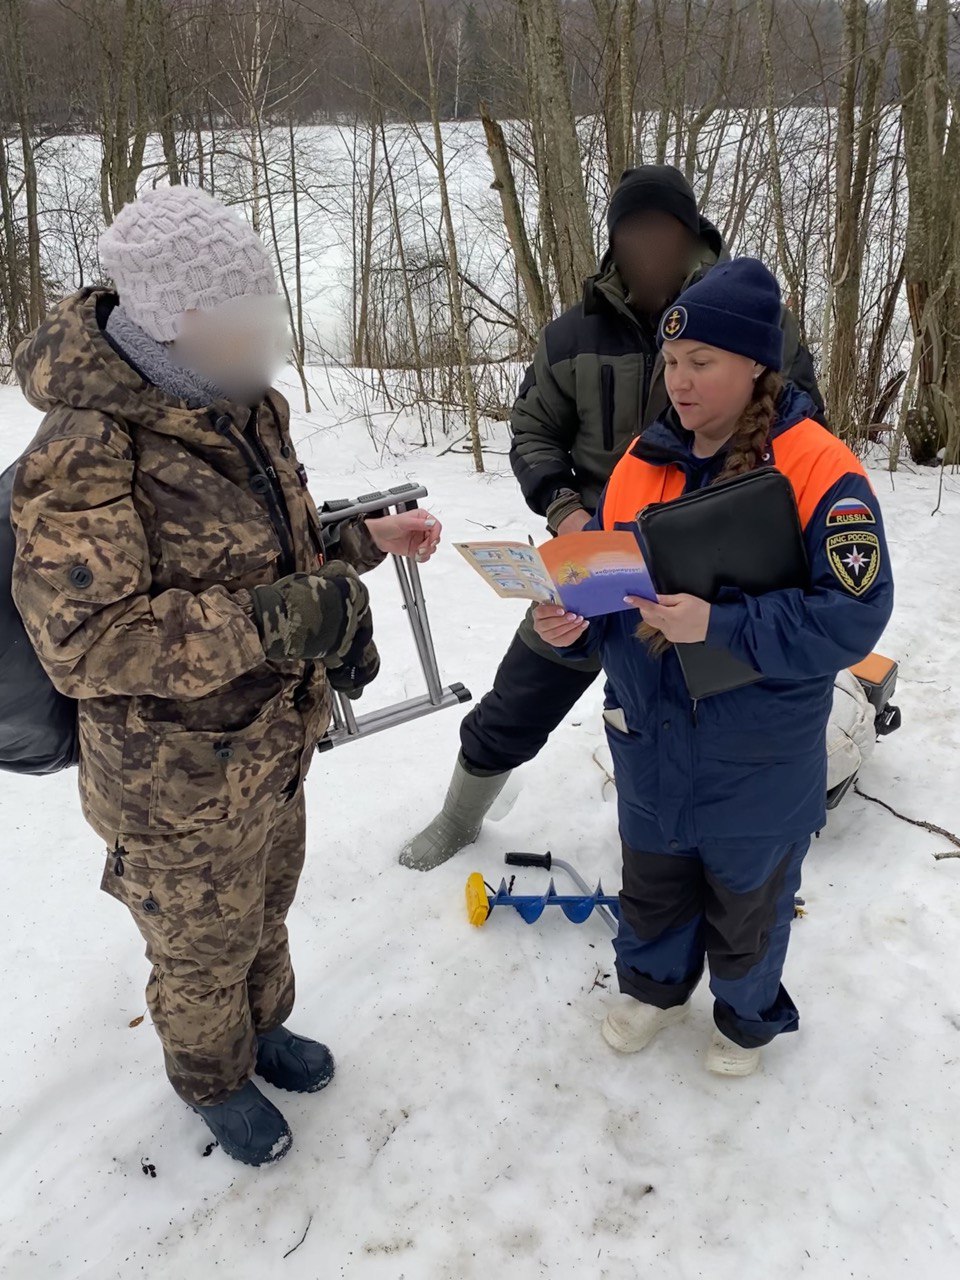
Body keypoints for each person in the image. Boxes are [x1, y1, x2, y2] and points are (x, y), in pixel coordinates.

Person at [9, 186, 441, 1165]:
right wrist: (279, 620)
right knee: (200, 943)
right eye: (248, 306)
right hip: (171, 784)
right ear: (184, 317)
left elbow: (266, 548)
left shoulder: (240, 401)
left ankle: (265, 1022)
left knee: (267, 901)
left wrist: (357, 541)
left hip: (270, 744)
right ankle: (210, 1075)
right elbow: (84, 639)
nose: (269, 325)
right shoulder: (86, 448)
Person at [401, 165, 823, 871]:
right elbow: (532, 431)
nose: (651, 243)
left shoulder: (757, 320)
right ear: (615, 238)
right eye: (634, 228)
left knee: (717, 715)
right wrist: (566, 512)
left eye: (665, 227)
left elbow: (800, 422)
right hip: (596, 556)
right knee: (523, 690)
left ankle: (734, 857)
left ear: (692, 234)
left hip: (710, 565)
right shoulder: (571, 335)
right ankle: (459, 815)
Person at [532, 258, 893, 1076]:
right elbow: (614, 604)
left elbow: (855, 613)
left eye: (702, 364)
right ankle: (654, 991)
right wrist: (569, 623)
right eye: (671, 364)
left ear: (755, 364)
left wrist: (719, 625)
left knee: (749, 906)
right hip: (653, 743)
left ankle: (745, 1015)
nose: (680, 382)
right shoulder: (639, 464)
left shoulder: (817, 466)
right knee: (653, 887)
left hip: (759, 757)